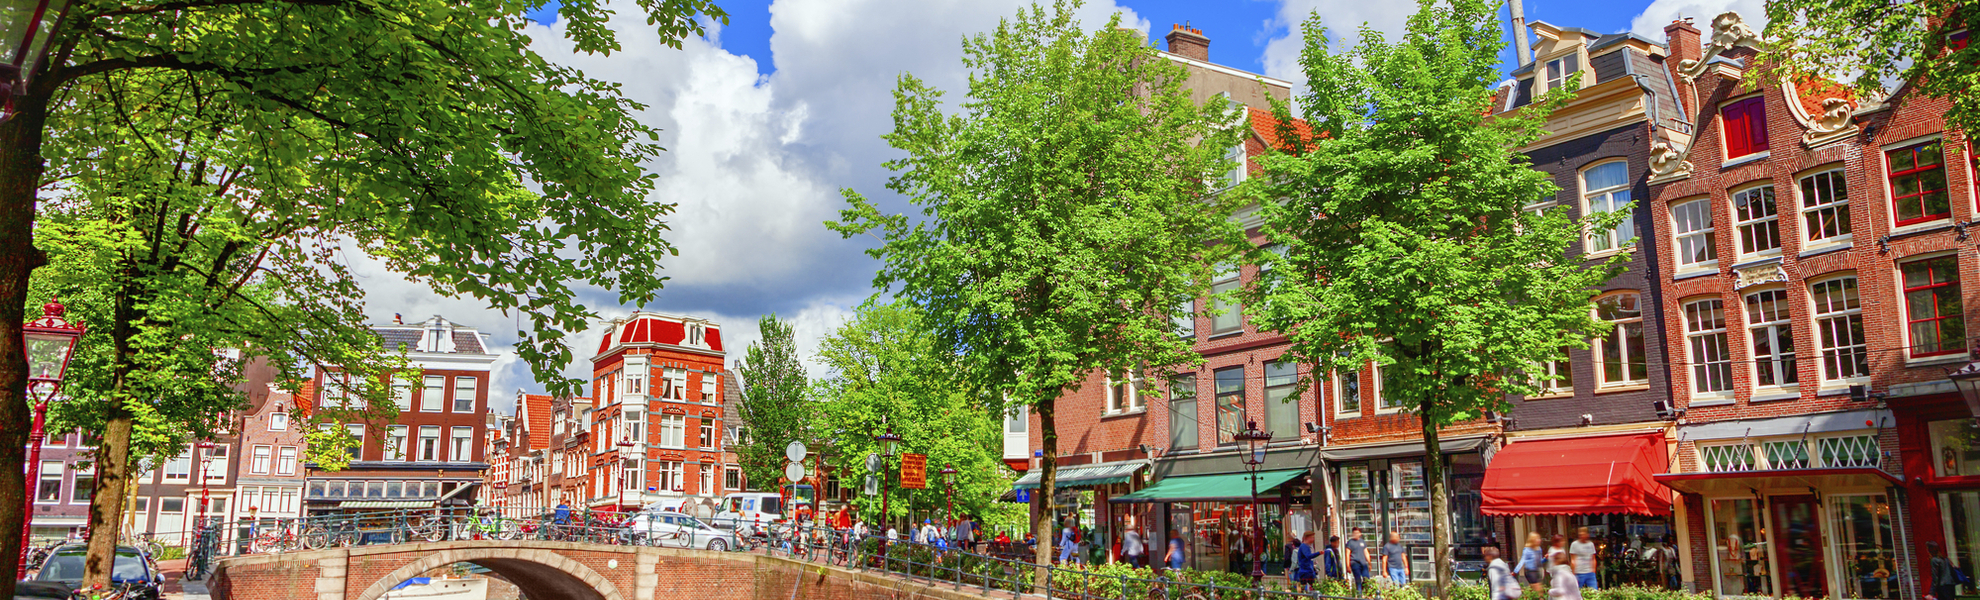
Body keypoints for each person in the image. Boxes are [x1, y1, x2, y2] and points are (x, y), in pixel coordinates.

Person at [1346, 527, 1371, 596]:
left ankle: (1366, 593)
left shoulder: (1362, 542)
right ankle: (1359, 595)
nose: (1355, 534)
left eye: (1357, 533)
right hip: (1354, 563)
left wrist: (1369, 563)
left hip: (1363, 563)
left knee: (1366, 579)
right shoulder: (1350, 542)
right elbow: (1347, 554)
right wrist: (1348, 566)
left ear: (1360, 533)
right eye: (1354, 533)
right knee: (1358, 579)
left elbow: (1366, 552)